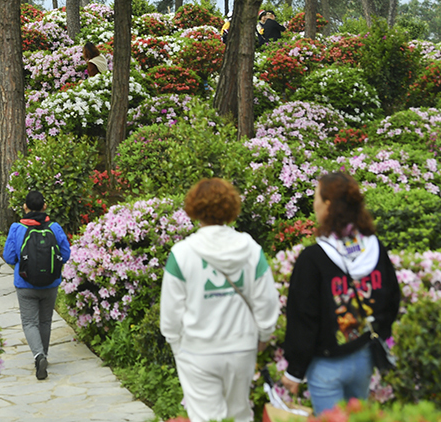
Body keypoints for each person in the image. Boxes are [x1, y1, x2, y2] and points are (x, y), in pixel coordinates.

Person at [280, 171, 401, 415]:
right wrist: (380, 334)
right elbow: (392, 298)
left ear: (327, 205)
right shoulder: (373, 247)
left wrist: (295, 370)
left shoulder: (313, 259)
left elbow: (304, 318)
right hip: (364, 358)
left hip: (327, 365)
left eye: (316, 197)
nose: (314, 204)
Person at [160, 178, 280, 422]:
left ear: (194, 208)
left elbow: (170, 314)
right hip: (241, 347)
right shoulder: (250, 249)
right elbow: (266, 300)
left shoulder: (182, 254)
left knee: (205, 418)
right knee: (240, 415)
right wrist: (264, 336)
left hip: (197, 351)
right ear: (231, 207)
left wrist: (177, 346)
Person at [2, 190, 72, 381]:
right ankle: (44, 356)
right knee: (45, 321)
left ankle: (38, 355)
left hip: (25, 284)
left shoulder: (17, 228)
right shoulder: (55, 228)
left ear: (25, 207)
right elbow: (65, 254)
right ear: (44, 206)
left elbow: (8, 257)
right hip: (50, 283)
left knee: (29, 322)